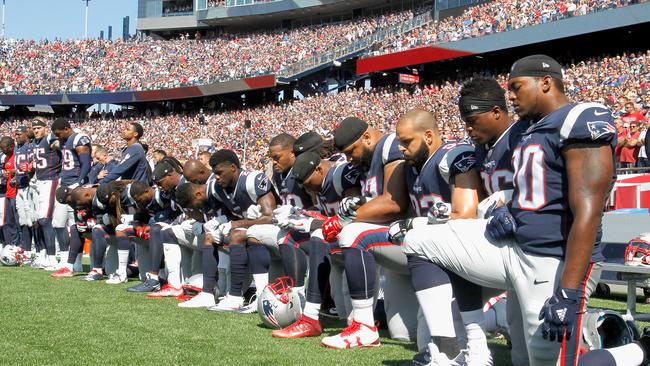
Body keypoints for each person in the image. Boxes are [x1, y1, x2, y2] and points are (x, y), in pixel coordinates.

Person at [402, 54, 616, 365]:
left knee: (544, 358)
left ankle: (633, 352)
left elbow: (588, 212)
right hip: (516, 250)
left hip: (553, 259)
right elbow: (539, 191)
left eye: (516, 87)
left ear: (545, 83)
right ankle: (462, 349)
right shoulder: (527, 130)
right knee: (419, 240)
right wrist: (511, 207)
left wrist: (568, 291)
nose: (510, 96)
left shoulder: (578, 119)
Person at [320, 117, 410, 349]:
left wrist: (342, 219)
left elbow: (393, 203)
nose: (350, 159)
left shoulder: (390, 144)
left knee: (353, 234)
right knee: (404, 334)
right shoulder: (368, 162)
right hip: (397, 243)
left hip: (415, 237)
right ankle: (363, 317)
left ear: (367, 137)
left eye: (352, 152)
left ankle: (364, 325)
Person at [271, 150, 361, 338]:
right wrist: (298, 213)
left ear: (319, 169)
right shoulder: (320, 184)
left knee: (318, 234)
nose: (307, 190)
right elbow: (325, 211)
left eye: (307, 183)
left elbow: (357, 215)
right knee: (347, 319)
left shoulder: (341, 175)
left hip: (366, 243)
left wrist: (312, 223)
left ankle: (310, 318)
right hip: (342, 246)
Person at [50, 118, 92, 276]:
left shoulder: (79, 138)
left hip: (75, 186)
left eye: (59, 133)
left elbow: (86, 163)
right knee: (59, 223)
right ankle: (67, 259)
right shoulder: (65, 141)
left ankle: (76, 263)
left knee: (77, 225)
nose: (58, 137)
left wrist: (79, 183)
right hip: (64, 185)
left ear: (67, 128)